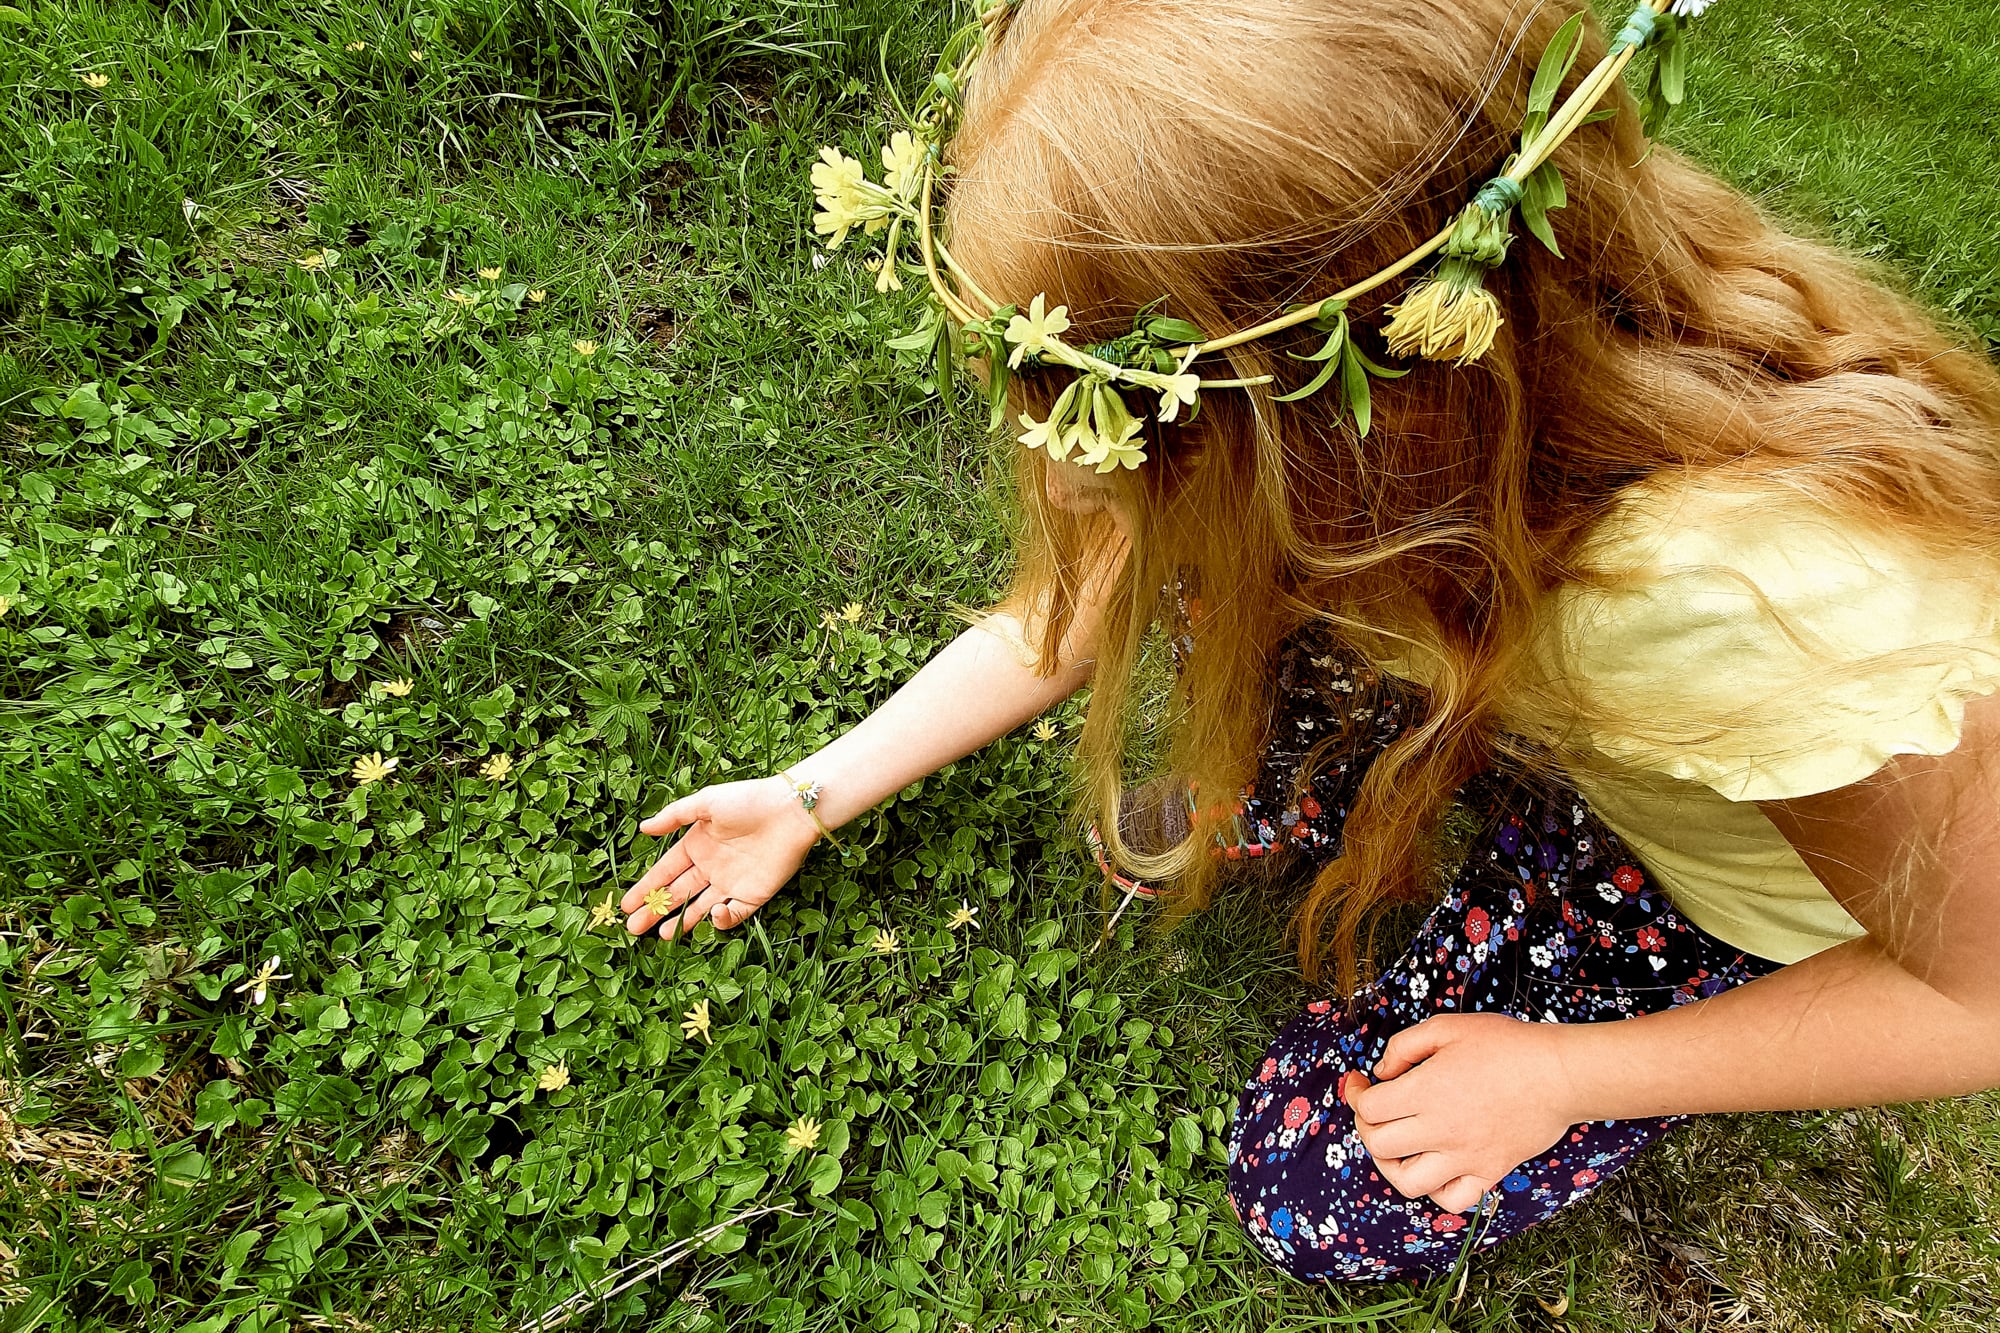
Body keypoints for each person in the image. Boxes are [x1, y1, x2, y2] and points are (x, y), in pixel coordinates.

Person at [620, 0, 2000, 1284]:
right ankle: (1405, 761)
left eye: (1088, 428)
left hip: (1728, 893)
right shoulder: (1476, 384)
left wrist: (1567, 1077)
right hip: (1540, 673)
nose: (1048, 477)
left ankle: (1553, 899)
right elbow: (1105, 585)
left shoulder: (1736, 608)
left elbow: (1975, 1000)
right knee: (1213, 585)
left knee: (1314, 1183)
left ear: (1340, 420)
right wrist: (812, 791)